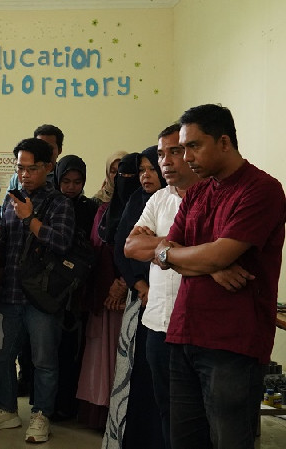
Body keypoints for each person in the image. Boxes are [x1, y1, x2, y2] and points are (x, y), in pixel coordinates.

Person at [152, 104, 285, 449]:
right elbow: (165, 249)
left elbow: (215, 253)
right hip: (184, 334)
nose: (185, 157)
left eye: (194, 146)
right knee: (184, 440)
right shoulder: (197, 191)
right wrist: (199, 261)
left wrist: (186, 257)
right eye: (182, 148)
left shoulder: (262, 189)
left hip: (232, 341)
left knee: (229, 440)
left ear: (224, 142)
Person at [0, 138, 74, 444]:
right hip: (9, 294)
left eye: (32, 168)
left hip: (43, 298)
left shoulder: (59, 202)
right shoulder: (10, 198)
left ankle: (41, 414)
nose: (24, 174)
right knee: (0, 356)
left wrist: (30, 219)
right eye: (20, 167)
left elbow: (61, 243)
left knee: (44, 361)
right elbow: (3, 246)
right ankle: (7, 409)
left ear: (48, 167)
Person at [123, 123, 201, 449]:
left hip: (199, 327)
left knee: (201, 417)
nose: (165, 161)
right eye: (160, 154)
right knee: (167, 412)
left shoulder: (211, 197)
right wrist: (179, 249)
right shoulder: (158, 199)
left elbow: (217, 256)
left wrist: (158, 249)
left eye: (174, 152)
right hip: (157, 323)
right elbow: (130, 246)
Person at [103, 146, 166, 449]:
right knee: (136, 375)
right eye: (142, 170)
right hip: (139, 299)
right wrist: (140, 285)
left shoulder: (177, 203)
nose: (145, 176)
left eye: (151, 169)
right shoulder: (136, 202)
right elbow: (122, 248)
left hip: (170, 303)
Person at [75, 151, 130, 430]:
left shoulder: (143, 204)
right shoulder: (99, 207)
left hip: (128, 297)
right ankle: (99, 413)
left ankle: (122, 416)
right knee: (99, 354)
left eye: (125, 171)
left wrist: (122, 283)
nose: (118, 177)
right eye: (114, 171)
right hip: (100, 294)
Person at [52, 155, 99, 420]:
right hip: (51, 288)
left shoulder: (90, 208)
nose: (71, 187)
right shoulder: (51, 204)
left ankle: (69, 405)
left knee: (73, 348)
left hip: (78, 288)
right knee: (50, 350)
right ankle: (49, 403)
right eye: (66, 181)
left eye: (77, 181)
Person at [7, 124, 64, 191]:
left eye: (33, 169)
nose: (42, 151)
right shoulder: (17, 177)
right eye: (38, 147)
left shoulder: (64, 176)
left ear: (59, 150)